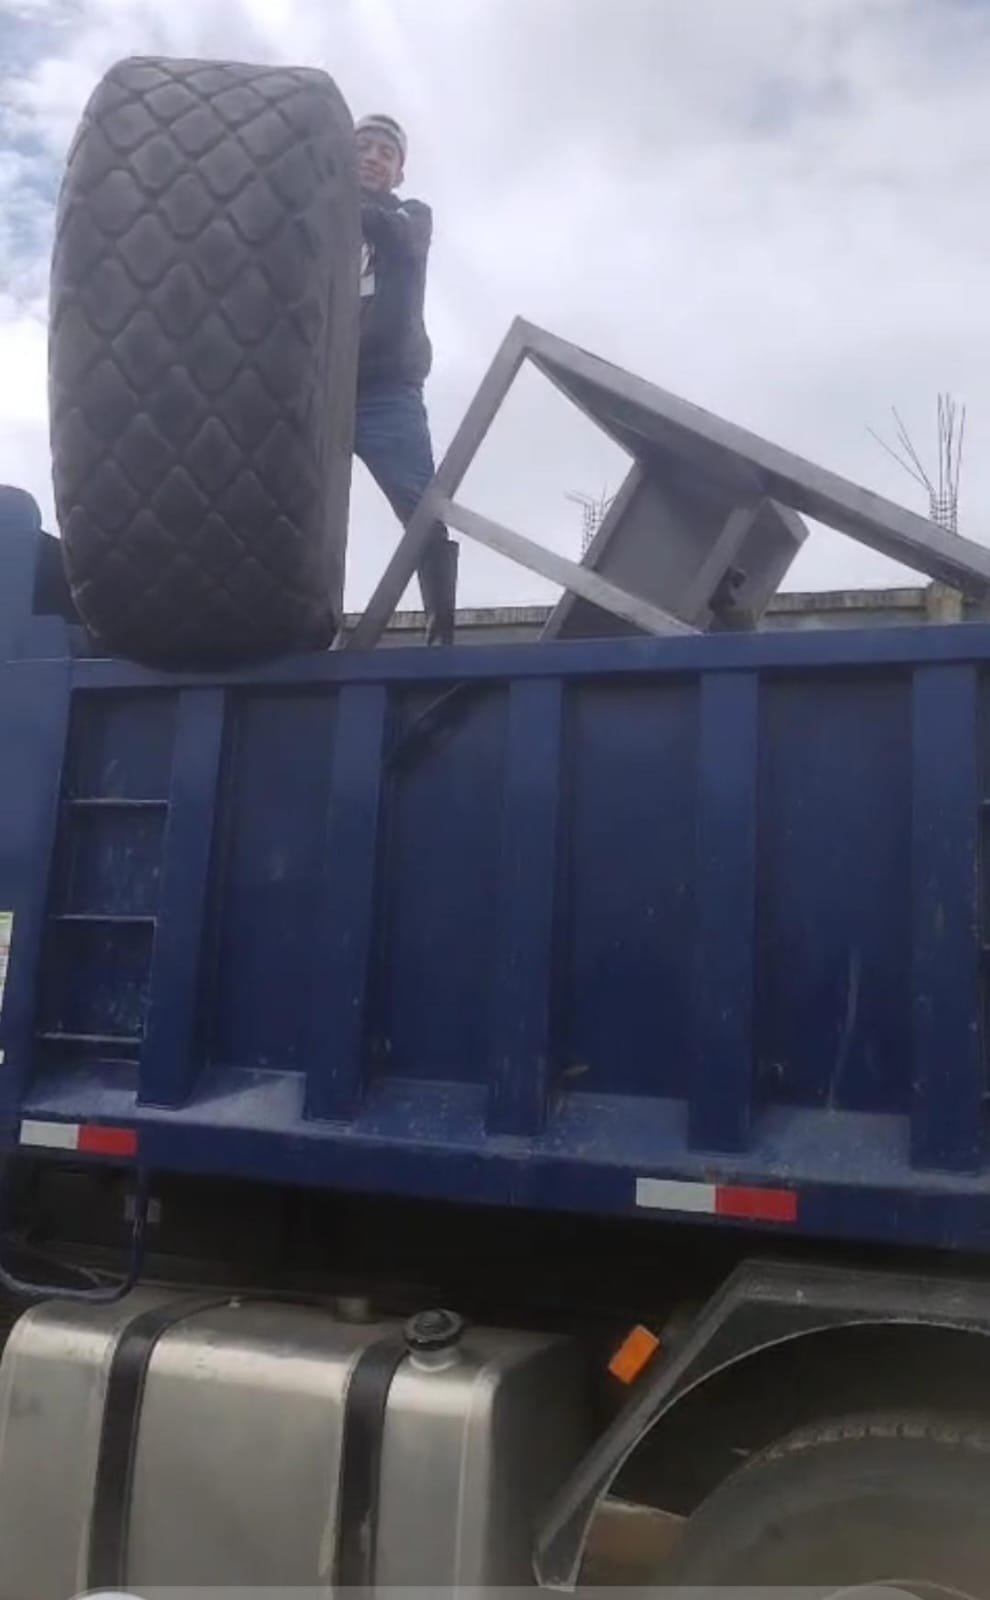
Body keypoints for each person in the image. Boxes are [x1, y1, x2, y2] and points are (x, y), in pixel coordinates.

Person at [354, 113, 457, 645]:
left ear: (399, 173)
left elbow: (400, 237)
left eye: (386, 153)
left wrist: (333, 196)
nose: (373, 157)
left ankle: (441, 632)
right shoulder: (310, 219)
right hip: (315, 389)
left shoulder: (412, 216)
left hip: (386, 390)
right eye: (363, 146)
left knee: (421, 509)